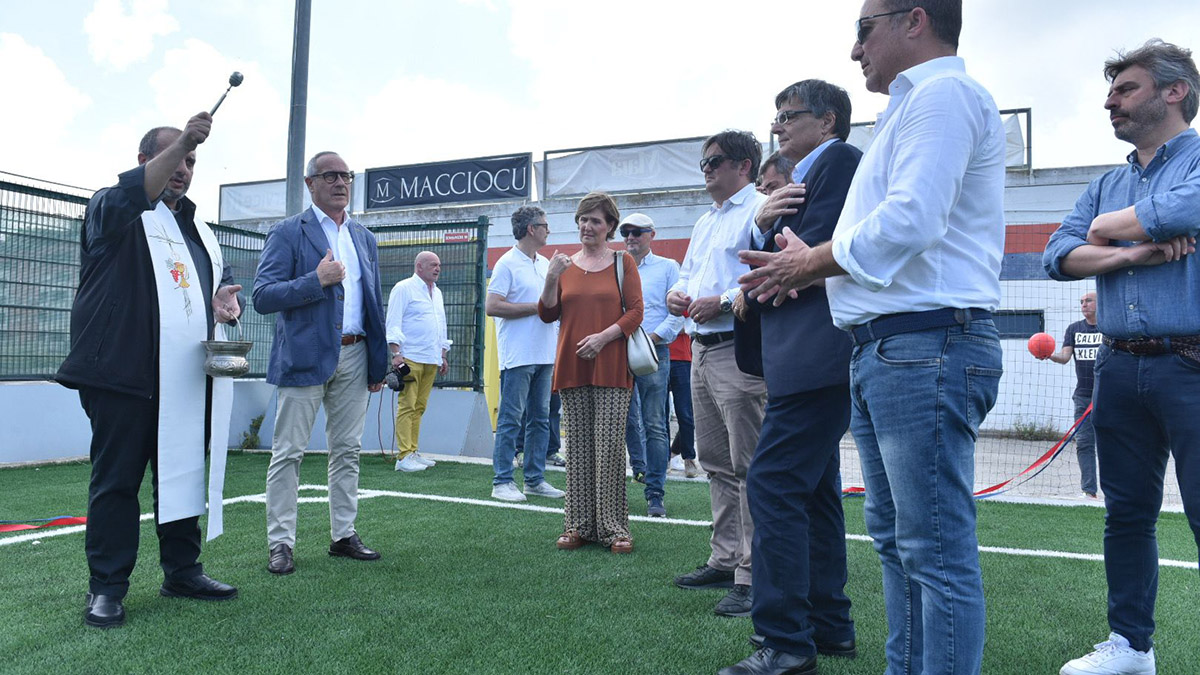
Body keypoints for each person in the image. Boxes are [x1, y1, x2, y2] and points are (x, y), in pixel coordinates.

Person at [740, 3, 1006, 672]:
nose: (855, 49)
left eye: (864, 29)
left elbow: (912, 218)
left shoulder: (943, 95)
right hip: (892, 347)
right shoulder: (915, 106)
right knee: (898, 542)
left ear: (913, 20)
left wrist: (810, 260)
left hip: (924, 344)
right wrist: (814, 258)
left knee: (929, 549)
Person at [1043, 39, 1200, 675]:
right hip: (1118, 363)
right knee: (1126, 513)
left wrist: (1107, 230)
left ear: (1174, 92)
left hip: (1190, 363)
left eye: (1125, 89)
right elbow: (1058, 253)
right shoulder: (1106, 181)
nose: (1110, 102)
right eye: (1110, 92)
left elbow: (1184, 208)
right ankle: (1132, 648)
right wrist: (1133, 250)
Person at [57, 113, 243, 628]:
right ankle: (107, 587)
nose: (183, 167)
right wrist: (186, 133)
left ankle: (182, 570)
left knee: (181, 473)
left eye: (191, 159)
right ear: (144, 161)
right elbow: (128, 197)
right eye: (176, 156)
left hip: (183, 378)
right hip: (120, 374)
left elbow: (211, 294)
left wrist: (227, 301)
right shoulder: (112, 208)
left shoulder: (199, 231)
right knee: (117, 482)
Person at [721, 79, 861, 675]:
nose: (777, 125)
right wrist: (762, 227)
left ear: (827, 121)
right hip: (801, 358)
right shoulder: (810, 173)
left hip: (817, 356)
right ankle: (829, 627)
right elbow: (769, 258)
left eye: (788, 115)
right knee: (817, 494)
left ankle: (783, 640)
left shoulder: (840, 163)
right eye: (776, 116)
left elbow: (798, 253)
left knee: (773, 483)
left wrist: (764, 231)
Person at [254, 151, 388, 576]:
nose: (340, 182)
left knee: (347, 450)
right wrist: (316, 281)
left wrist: (377, 363)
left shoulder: (364, 237)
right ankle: (281, 543)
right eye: (329, 175)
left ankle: (343, 535)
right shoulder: (288, 232)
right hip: (304, 357)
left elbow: (372, 304)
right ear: (310, 184)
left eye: (345, 175)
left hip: (356, 353)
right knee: (288, 452)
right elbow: (263, 296)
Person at [667, 129, 769, 617]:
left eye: (716, 162)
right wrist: (677, 295)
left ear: (745, 165)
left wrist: (723, 300)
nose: (707, 170)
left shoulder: (760, 209)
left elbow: (767, 275)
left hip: (739, 349)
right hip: (703, 350)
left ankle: (753, 573)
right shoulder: (706, 220)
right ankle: (726, 558)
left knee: (749, 465)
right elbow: (687, 276)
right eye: (703, 164)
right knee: (715, 461)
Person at [539, 191, 643, 554]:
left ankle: (615, 528)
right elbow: (548, 314)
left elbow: (635, 312)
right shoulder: (564, 265)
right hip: (571, 365)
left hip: (612, 366)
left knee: (610, 448)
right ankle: (577, 524)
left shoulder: (623, 261)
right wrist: (551, 277)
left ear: (610, 226)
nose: (587, 226)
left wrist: (603, 338)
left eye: (595, 220)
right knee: (578, 449)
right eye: (583, 219)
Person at [486, 206, 565, 500]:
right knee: (511, 419)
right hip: (518, 356)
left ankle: (534, 479)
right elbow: (492, 306)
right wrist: (538, 308)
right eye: (545, 225)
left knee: (541, 419)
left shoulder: (545, 263)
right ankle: (501, 482)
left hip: (546, 354)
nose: (548, 230)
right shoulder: (507, 263)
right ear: (531, 229)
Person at [620, 213, 684, 517]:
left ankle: (655, 492)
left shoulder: (669, 268)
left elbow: (679, 312)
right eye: (626, 232)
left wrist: (654, 339)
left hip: (653, 352)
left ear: (652, 235)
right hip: (618, 351)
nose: (631, 237)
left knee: (655, 423)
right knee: (623, 421)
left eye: (637, 232)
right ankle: (641, 471)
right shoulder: (615, 266)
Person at [387, 251, 453, 472]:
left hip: (430, 357)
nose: (438, 268)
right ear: (419, 266)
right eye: (433, 264)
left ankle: (413, 451)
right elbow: (393, 321)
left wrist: (442, 354)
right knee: (407, 405)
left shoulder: (438, 293)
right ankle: (404, 455)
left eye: (439, 265)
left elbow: (441, 324)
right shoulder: (403, 288)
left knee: (420, 406)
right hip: (411, 357)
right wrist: (396, 353)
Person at [1036, 291, 1101, 498]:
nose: (1084, 304)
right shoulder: (1074, 329)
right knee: (1084, 442)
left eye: (1088, 301)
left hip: (1110, 395)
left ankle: (1117, 490)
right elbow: (1064, 357)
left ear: (1100, 303)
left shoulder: (1110, 328)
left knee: (1114, 443)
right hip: (1083, 395)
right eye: (1082, 302)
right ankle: (1089, 491)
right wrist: (1049, 355)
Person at [666, 330, 699, 478]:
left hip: (682, 358)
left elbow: (688, 325)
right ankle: (664, 459)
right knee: (661, 415)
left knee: (685, 414)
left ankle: (689, 458)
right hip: (656, 355)